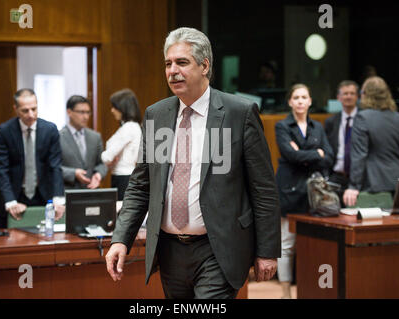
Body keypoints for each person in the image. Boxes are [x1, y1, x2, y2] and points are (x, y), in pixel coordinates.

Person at [105, 27, 281, 299]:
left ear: (204, 66)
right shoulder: (157, 115)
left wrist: (267, 250)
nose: (173, 71)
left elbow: (263, 188)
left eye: (182, 62)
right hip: (170, 251)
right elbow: (141, 186)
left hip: (218, 248)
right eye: (168, 63)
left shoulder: (238, 113)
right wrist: (120, 238)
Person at [275, 84, 334, 298]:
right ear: (290, 101)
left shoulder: (318, 126)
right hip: (289, 191)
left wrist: (304, 153)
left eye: (304, 97)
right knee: (287, 245)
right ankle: (285, 293)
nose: (300, 101)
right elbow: (290, 156)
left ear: (310, 101)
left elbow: (329, 157)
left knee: (311, 244)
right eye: (296, 97)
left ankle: (312, 289)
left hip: (313, 193)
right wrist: (315, 153)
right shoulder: (282, 126)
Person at [0, 89, 65, 229]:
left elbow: (55, 166)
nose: (31, 115)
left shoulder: (50, 129)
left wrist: (58, 199)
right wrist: (11, 201)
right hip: (14, 195)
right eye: (25, 110)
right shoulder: (4, 131)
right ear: (16, 109)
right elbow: (1, 169)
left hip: (43, 195)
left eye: (34, 109)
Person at [343, 76, 399, 207]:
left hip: (374, 185)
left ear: (365, 95)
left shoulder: (363, 118)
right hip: (398, 184)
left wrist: (353, 186)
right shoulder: (398, 118)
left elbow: (359, 155)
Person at [101, 89, 142, 200]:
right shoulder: (133, 126)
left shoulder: (128, 128)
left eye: (115, 107)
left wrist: (104, 156)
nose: (112, 110)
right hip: (125, 177)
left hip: (123, 179)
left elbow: (107, 157)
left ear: (123, 108)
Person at [60, 95, 108, 189]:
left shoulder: (95, 136)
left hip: (91, 192)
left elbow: (102, 163)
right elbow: (53, 168)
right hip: (68, 192)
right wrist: (73, 173)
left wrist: (98, 174)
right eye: (81, 112)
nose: (86, 117)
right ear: (69, 112)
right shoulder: (58, 137)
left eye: (88, 112)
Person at [324, 80, 360, 206]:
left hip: (360, 178)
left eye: (352, 93)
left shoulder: (364, 119)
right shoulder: (331, 122)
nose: (348, 96)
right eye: (345, 94)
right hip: (337, 177)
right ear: (338, 97)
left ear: (358, 96)